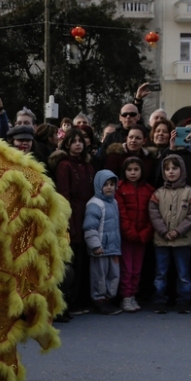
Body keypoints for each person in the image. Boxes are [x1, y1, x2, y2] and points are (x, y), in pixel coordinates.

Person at [51, 129, 95, 319]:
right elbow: (64, 195)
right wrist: (68, 222)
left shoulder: (87, 165)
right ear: (67, 144)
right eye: (73, 141)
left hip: (87, 212)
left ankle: (77, 300)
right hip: (72, 214)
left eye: (80, 141)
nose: (78, 144)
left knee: (83, 259)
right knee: (70, 261)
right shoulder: (64, 165)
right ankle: (63, 304)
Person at [148, 155, 191, 314]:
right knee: (160, 273)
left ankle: (184, 301)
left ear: (182, 170)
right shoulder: (158, 193)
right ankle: (159, 300)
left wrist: (178, 230)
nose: (171, 172)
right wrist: (164, 231)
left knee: (183, 273)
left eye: (175, 168)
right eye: (167, 169)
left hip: (182, 240)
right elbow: (153, 213)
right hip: (162, 240)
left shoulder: (190, 193)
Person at [116, 157, 154, 313]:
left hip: (141, 237)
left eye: (136, 169)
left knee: (137, 268)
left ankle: (133, 295)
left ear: (141, 171)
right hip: (126, 236)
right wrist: (130, 232)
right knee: (127, 267)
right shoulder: (119, 188)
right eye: (129, 170)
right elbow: (121, 213)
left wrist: (145, 233)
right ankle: (125, 296)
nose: (132, 173)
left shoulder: (149, 190)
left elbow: (153, 214)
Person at [84, 170, 122, 315]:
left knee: (113, 275)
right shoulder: (95, 204)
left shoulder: (114, 202)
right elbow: (90, 227)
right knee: (99, 275)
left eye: (112, 184)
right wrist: (95, 245)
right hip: (99, 249)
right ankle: (99, 300)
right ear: (98, 185)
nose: (109, 187)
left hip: (113, 247)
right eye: (105, 184)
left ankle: (108, 298)